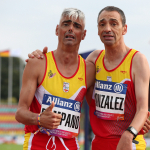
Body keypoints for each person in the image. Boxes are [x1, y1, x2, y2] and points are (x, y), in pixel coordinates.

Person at [28, 6, 150, 150]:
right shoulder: (93, 59)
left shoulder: (137, 60)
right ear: (98, 30)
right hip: (99, 143)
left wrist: (131, 132)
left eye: (114, 23)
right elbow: (66, 71)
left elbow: (143, 109)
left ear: (125, 29)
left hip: (129, 141)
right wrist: (41, 58)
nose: (107, 28)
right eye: (102, 24)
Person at [15, 8, 95, 150]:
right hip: (36, 144)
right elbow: (20, 113)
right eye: (66, 24)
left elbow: (100, 110)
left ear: (83, 34)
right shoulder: (37, 63)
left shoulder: (89, 70)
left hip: (70, 145)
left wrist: (136, 120)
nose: (70, 28)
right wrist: (39, 119)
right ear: (57, 30)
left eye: (77, 26)